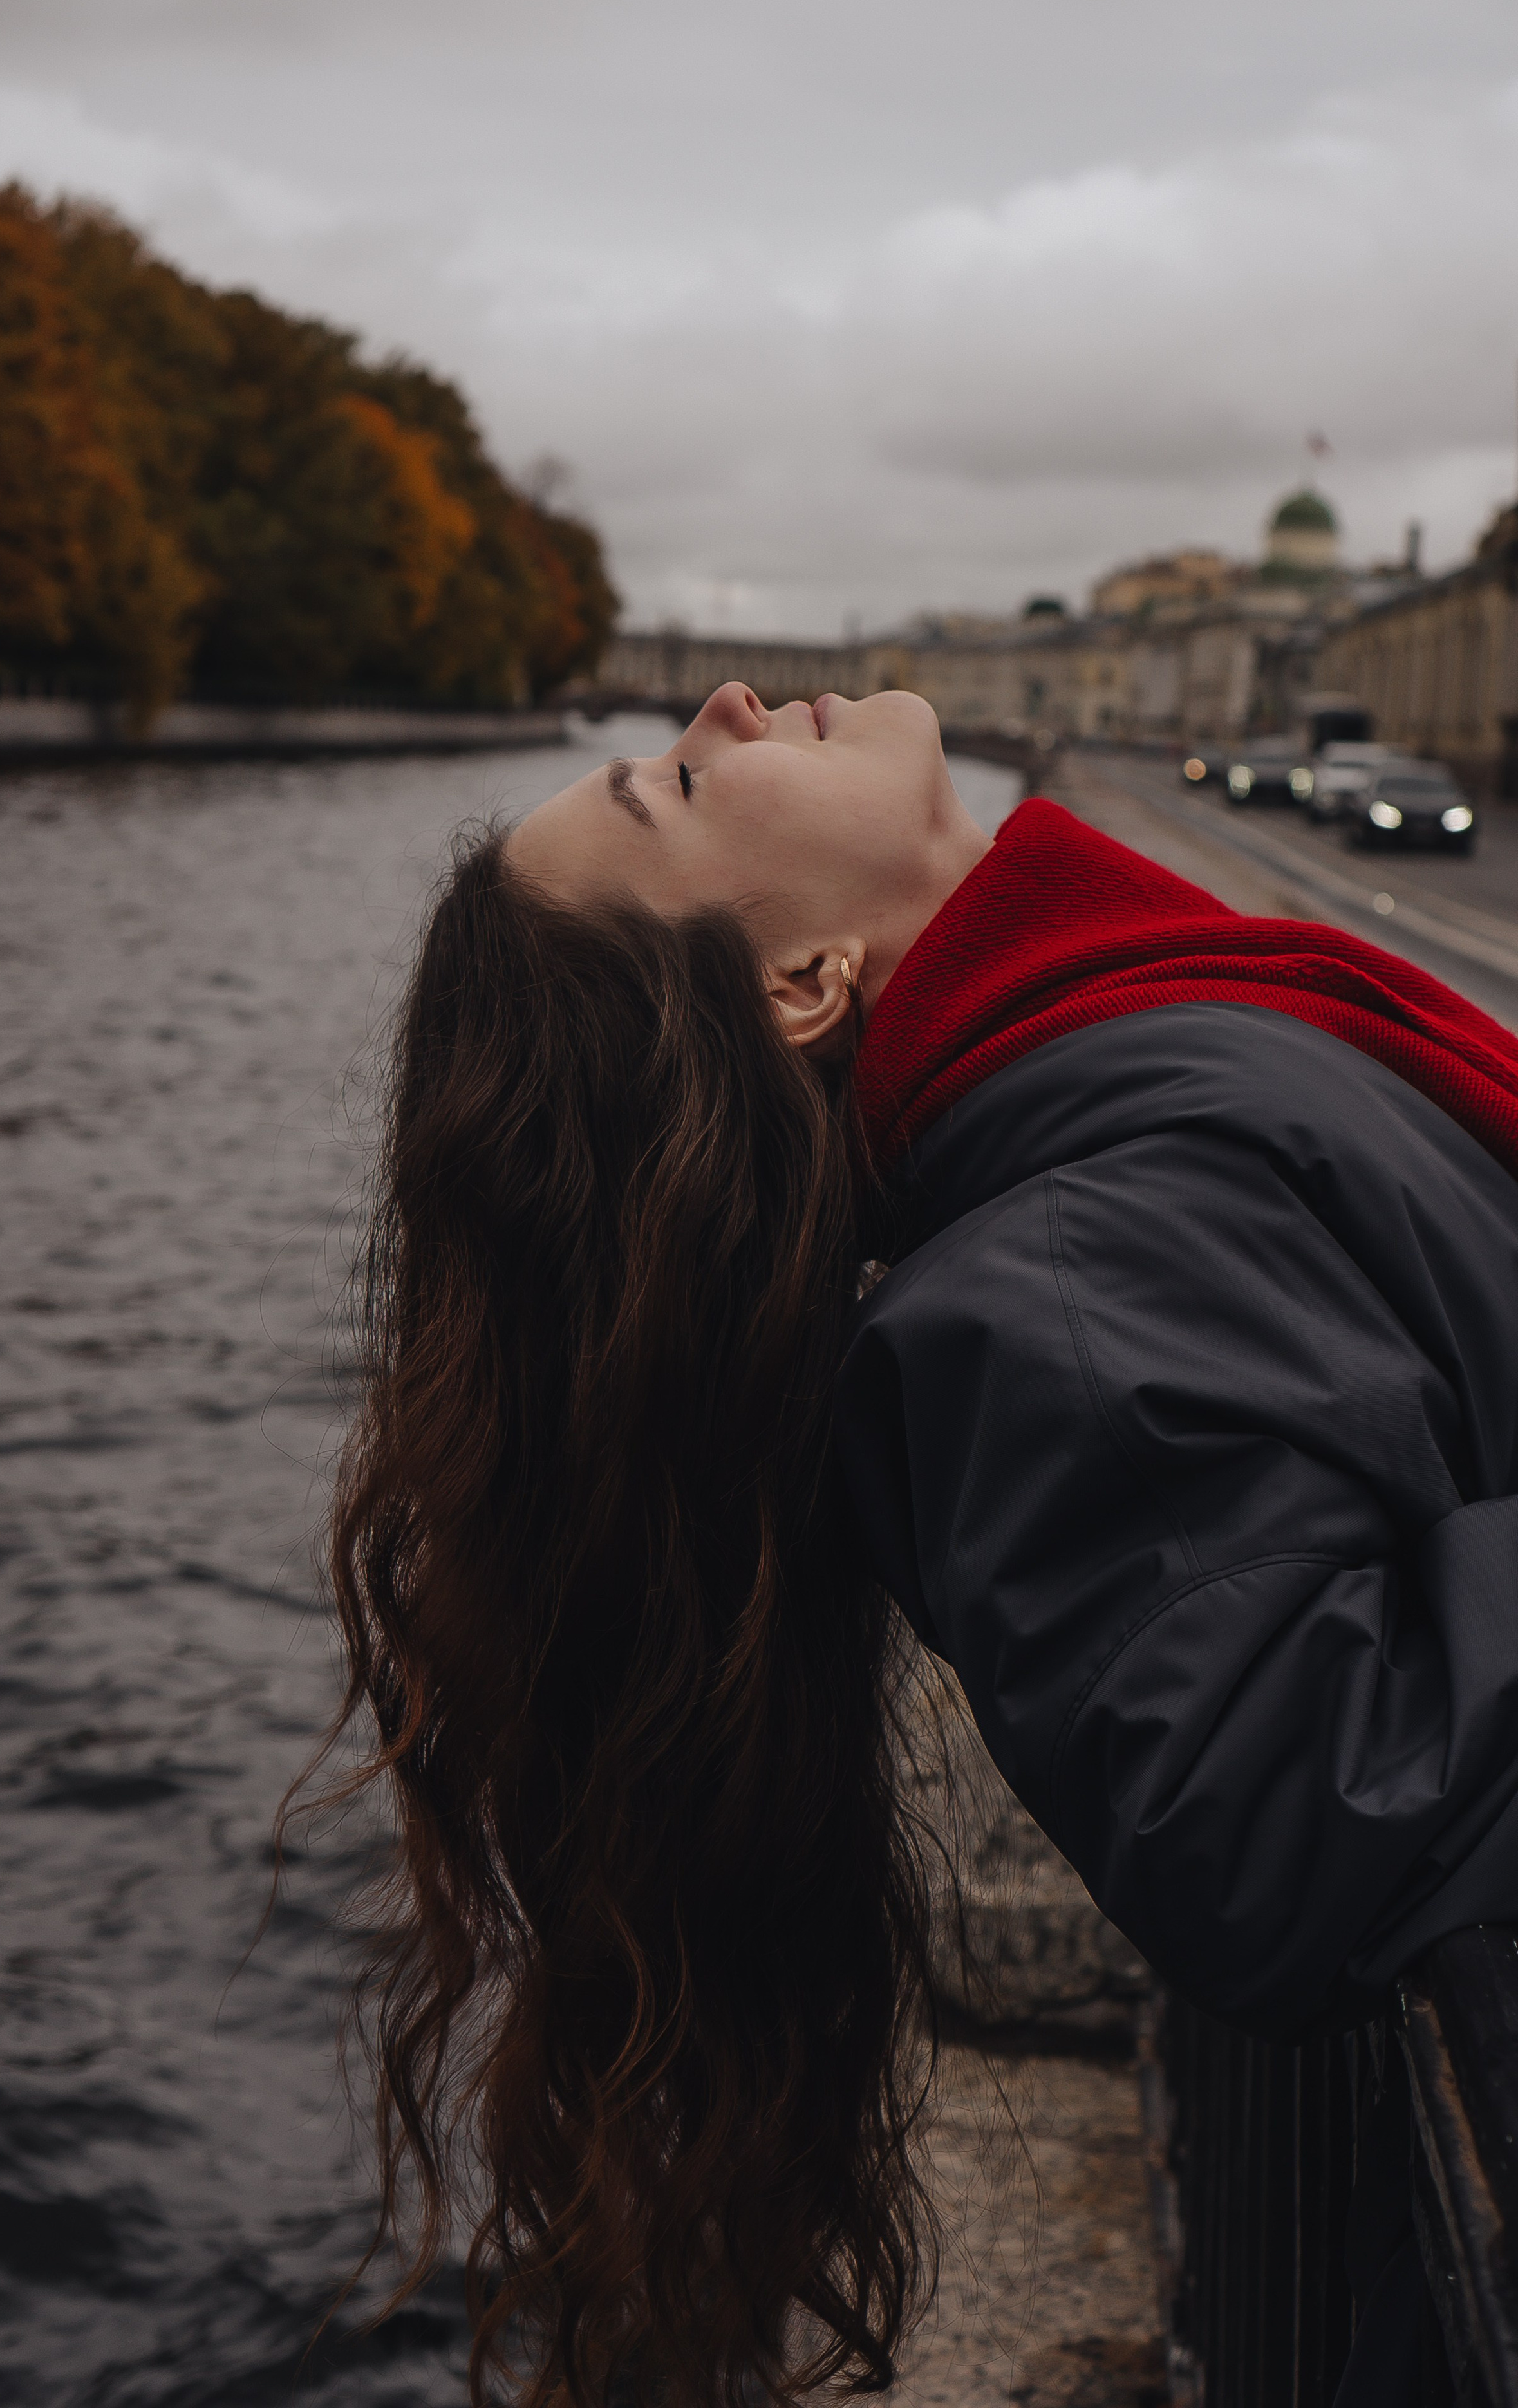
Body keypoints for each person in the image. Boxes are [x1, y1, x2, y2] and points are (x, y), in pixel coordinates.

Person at [323, 682, 1518, 2408]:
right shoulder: (1056, 1287)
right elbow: (1297, 1813)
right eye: (675, 782)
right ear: (801, 983)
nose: (726, 706)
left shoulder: (1093, 1090)